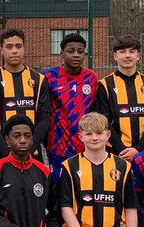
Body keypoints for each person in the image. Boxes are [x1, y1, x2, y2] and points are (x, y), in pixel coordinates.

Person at [0, 27, 51, 161]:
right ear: (2, 50)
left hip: (32, 153)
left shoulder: (39, 80)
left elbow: (44, 119)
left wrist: (30, 148)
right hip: (2, 153)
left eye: (18, 46)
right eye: (9, 47)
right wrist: (8, 153)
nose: (14, 51)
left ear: (24, 49)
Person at [42, 32, 100, 180]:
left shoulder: (91, 77)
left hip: (85, 145)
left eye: (80, 52)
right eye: (70, 51)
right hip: (58, 146)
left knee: (84, 189)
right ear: (62, 53)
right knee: (61, 190)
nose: (76, 55)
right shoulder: (49, 77)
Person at [95, 35, 144, 161]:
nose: (127, 55)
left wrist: (139, 149)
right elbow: (104, 122)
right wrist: (121, 150)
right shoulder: (104, 85)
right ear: (115, 56)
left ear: (138, 56)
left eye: (132, 51)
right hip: (115, 152)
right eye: (122, 52)